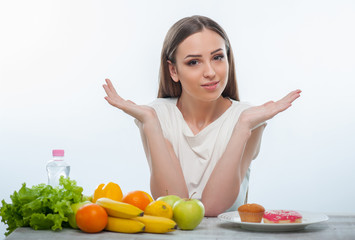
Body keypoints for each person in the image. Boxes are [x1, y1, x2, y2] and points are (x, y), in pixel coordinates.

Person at [103, 15, 301, 217]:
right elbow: (175, 206)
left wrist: (243, 127)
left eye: (217, 57)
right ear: (173, 70)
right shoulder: (155, 116)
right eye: (194, 62)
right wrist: (151, 124)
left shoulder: (248, 118)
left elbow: (215, 209)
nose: (210, 72)